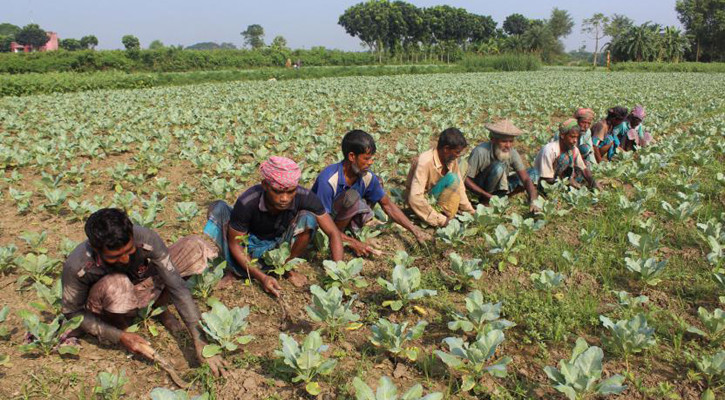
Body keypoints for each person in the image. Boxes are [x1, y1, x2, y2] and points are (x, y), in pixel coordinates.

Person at [61, 208, 226, 376]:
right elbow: (72, 312)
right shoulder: (77, 265)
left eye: (129, 251)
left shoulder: (146, 238)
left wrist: (200, 340)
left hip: (139, 287)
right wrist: (120, 336)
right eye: (115, 256)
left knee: (192, 247)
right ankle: (122, 327)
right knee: (117, 283)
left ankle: (157, 309)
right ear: (97, 249)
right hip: (108, 302)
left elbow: (177, 285)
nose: (125, 259)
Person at [204, 156, 343, 297]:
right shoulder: (248, 202)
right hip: (248, 244)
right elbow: (235, 243)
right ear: (265, 185)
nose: (285, 198)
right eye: (277, 191)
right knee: (218, 208)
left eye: (290, 191)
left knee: (309, 218)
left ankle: (287, 267)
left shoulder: (305, 197)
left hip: (280, 244)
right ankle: (233, 269)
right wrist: (262, 277)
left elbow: (333, 232)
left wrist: (339, 273)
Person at [312, 130, 430, 255]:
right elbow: (321, 221)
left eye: (372, 158)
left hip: (344, 215)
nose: (371, 162)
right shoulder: (328, 180)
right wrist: (354, 243)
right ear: (352, 156)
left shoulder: (366, 177)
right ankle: (343, 238)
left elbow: (387, 205)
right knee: (352, 197)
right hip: (324, 222)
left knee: (376, 182)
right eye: (367, 158)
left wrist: (415, 230)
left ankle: (353, 231)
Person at [404, 127, 475, 227]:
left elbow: (460, 188)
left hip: (435, 197)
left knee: (456, 177)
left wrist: (471, 211)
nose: (458, 156)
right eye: (457, 152)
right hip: (422, 202)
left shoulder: (450, 159)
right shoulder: (425, 161)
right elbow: (415, 198)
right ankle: (444, 217)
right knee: (452, 179)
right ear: (446, 149)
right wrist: (441, 220)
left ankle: (448, 215)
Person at [464, 120, 539, 213]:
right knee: (499, 167)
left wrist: (533, 200)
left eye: (511, 141)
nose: (508, 145)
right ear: (493, 140)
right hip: (481, 188)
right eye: (504, 141)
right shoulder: (480, 152)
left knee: (533, 173)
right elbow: (466, 180)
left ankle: (500, 197)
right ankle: (486, 202)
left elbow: (526, 179)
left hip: (501, 184)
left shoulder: (512, 152)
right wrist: (487, 195)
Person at [535, 119, 599, 190]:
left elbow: (583, 169)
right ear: (562, 136)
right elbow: (545, 178)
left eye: (576, 137)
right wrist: (568, 182)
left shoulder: (574, 149)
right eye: (572, 137)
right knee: (563, 159)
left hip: (560, 181)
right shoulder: (550, 150)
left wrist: (593, 183)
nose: (575, 140)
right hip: (542, 183)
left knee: (586, 163)